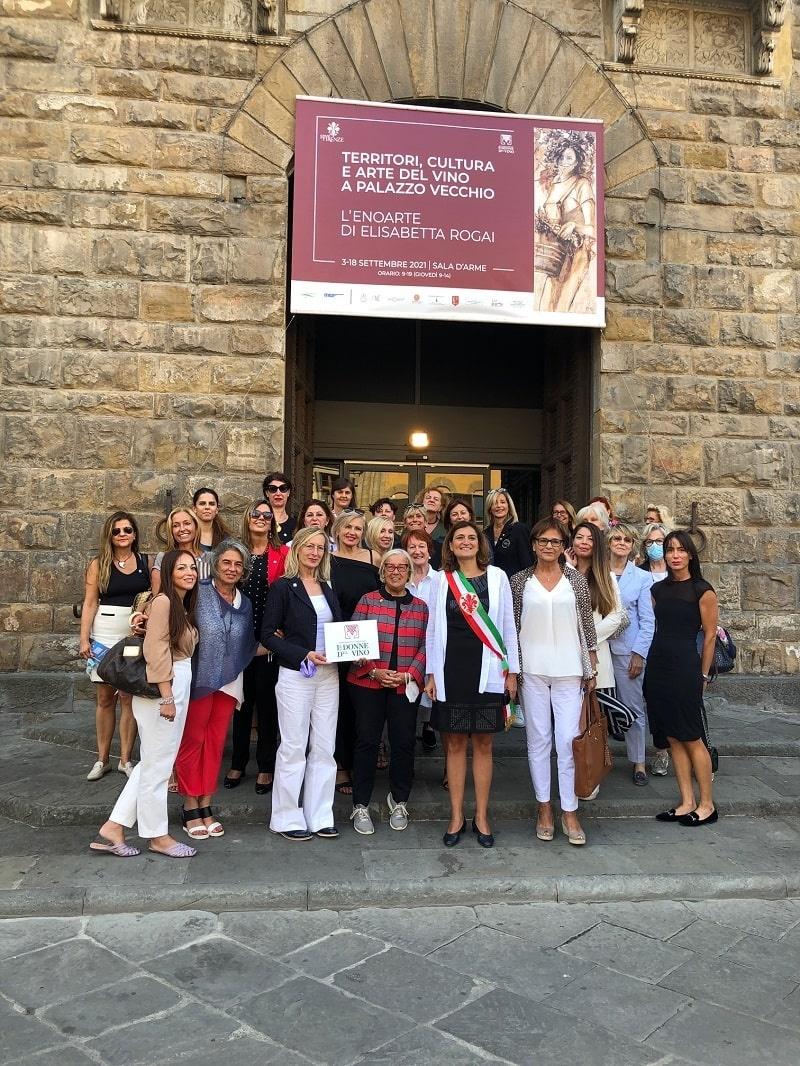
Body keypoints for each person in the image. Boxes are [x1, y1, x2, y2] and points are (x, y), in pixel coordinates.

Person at [89, 550, 199, 859]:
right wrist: (166, 696)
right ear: (167, 571)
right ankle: (157, 836)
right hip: (166, 687)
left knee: (153, 762)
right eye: (181, 567)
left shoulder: (177, 604)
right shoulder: (164, 601)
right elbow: (155, 651)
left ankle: (113, 827)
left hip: (175, 684)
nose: (189, 572)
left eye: (192, 567)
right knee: (158, 767)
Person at [424, 521, 519, 849]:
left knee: (483, 744)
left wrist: (512, 672)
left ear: (480, 544)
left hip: (489, 671)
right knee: (452, 744)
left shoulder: (498, 577)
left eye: (471, 538)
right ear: (449, 545)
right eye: (458, 538)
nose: (465, 542)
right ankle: (455, 816)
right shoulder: (440, 581)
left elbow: (507, 626)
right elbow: (432, 629)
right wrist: (431, 674)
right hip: (451, 671)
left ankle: (481, 815)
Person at [510, 519, 598, 845]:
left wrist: (591, 669)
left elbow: (586, 625)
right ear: (533, 544)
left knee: (567, 741)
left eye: (556, 541)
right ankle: (544, 807)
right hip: (531, 670)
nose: (549, 546)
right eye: (543, 541)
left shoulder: (576, 580)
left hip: (570, 670)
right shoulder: (519, 581)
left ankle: (570, 811)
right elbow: (511, 628)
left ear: (564, 546)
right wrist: (513, 672)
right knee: (538, 741)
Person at [176, 538, 265, 839]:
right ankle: (190, 805)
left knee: (214, 743)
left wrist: (288, 644)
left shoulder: (245, 602)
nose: (232, 568)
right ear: (215, 564)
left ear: (244, 570)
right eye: (226, 562)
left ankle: (206, 804)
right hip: (199, 678)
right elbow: (177, 624)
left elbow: (247, 645)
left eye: (238, 564)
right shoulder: (197, 593)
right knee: (193, 741)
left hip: (230, 681)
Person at [261, 527, 343, 840]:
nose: (314, 552)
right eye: (309, 546)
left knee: (324, 746)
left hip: (328, 675)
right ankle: (285, 817)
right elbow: (267, 635)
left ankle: (320, 814)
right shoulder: (283, 587)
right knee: (294, 746)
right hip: (297, 674)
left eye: (320, 548)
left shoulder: (327, 586)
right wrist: (303, 654)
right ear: (297, 550)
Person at [348, 549, 428, 835]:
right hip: (368, 683)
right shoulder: (368, 601)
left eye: (401, 567)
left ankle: (399, 800)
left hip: (404, 685)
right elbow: (353, 641)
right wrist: (373, 670)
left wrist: (409, 674)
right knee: (367, 742)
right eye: (390, 567)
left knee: (404, 743)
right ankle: (361, 805)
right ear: (382, 572)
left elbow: (426, 646)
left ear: (409, 572)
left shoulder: (420, 606)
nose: (395, 571)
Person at [647, 530, 719, 827]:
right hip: (658, 667)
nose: (675, 554)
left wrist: (703, 674)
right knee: (673, 738)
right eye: (670, 549)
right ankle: (686, 801)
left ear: (690, 554)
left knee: (691, 736)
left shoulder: (703, 590)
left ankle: (707, 804)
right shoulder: (658, 590)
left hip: (686, 668)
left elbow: (711, 635)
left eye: (680, 550)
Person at [79, 511, 149, 780]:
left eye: (127, 530)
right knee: (105, 698)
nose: (122, 535)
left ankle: (125, 759)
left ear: (134, 534)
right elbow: (89, 603)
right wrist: (84, 638)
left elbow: (152, 597)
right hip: (104, 634)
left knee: (129, 697)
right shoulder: (99, 564)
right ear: (109, 534)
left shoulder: (145, 561)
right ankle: (102, 759)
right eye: (117, 530)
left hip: (133, 635)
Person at [224, 502, 288, 793]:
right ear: (246, 518)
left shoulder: (282, 554)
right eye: (255, 514)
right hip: (237, 638)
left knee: (266, 703)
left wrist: (282, 631)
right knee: (240, 703)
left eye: (266, 515)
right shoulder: (234, 552)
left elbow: (289, 592)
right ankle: (238, 761)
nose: (261, 519)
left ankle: (265, 765)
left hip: (269, 639)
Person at [570, 521, 627, 800]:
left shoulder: (605, 576)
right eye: (578, 537)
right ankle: (570, 772)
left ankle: (590, 773)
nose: (583, 542)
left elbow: (616, 617)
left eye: (588, 538)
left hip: (595, 656)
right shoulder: (562, 573)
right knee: (569, 720)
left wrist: (586, 640)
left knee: (593, 719)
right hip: (565, 657)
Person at [330, 510, 380, 793]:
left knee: (363, 705)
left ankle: (361, 762)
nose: (352, 532)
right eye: (347, 526)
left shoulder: (374, 558)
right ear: (337, 530)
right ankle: (340, 766)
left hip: (367, 641)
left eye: (358, 528)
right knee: (340, 706)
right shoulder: (327, 559)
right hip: (336, 637)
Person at [608, 523, 655, 786]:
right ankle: (598, 756)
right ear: (608, 542)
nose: (622, 543)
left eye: (627, 539)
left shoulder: (642, 578)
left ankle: (638, 761)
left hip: (628, 651)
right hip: (600, 650)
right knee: (597, 707)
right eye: (617, 538)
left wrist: (640, 653)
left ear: (633, 545)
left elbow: (648, 621)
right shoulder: (597, 572)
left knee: (633, 706)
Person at [534, 132, 596, 314]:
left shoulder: (582, 185)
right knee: (547, 305)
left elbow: (593, 229)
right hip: (553, 254)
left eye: (569, 158)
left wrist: (574, 226)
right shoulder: (552, 185)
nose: (564, 161)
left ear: (577, 162)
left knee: (562, 307)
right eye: (562, 157)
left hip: (575, 255)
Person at [639, 522, 670, 775]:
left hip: (677, 642)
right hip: (649, 644)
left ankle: (697, 750)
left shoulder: (680, 570)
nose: (655, 547)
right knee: (655, 699)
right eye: (650, 542)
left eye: (660, 542)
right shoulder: (639, 573)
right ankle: (661, 750)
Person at [404, 529, 439, 752]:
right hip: (407, 648)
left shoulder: (441, 580)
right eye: (412, 547)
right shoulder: (400, 578)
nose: (417, 551)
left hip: (433, 646)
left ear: (429, 551)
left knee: (434, 697)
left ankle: (429, 726)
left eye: (421, 546)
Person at [151, 507, 208, 594]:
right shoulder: (163, 557)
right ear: (171, 531)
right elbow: (156, 595)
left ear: (196, 526)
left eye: (187, 523)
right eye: (176, 525)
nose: (182, 529)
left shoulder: (208, 558)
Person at [484, 488, 534, 580]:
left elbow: (528, 564)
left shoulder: (519, 529)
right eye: (495, 503)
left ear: (509, 506)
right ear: (489, 508)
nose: (499, 506)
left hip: (514, 587)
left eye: (502, 502)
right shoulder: (485, 533)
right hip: (492, 586)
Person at [192, 487, 232, 551]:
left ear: (216, 509)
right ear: (194, 509)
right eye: (202, 503)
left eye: (211, 504)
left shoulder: (226, 539)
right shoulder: (188, 535)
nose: (207, 507)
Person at [262, 471, 296, 544]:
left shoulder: (296, 525)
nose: (278, 493)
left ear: (288, 492)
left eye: (283, 488)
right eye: (273, 489)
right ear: (267, 493)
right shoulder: (259, 520)